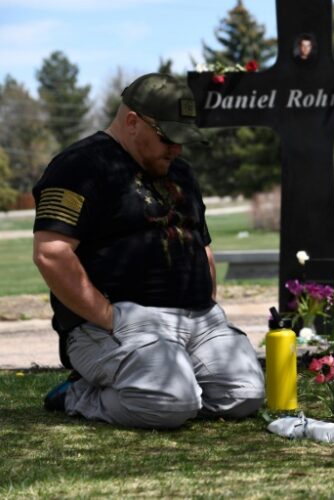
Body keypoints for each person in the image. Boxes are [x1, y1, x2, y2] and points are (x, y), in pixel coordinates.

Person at [32, 73, 265, 429]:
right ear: (132, 123)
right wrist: (110, 317)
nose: (177, 149)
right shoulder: (79, 166)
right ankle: (79, 395)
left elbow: (200, 244)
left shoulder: (180, 171)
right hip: (118, 324)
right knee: (172, 403)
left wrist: (207, 304)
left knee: (245, 394)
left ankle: (158, 391)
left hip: (197, 320)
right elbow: (52, 252)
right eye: (168, 138)